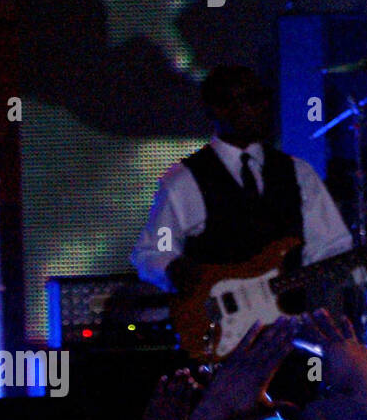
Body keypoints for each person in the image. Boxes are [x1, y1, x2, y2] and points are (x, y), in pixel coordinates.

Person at [131, 65, 355, 298]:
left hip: (288, 321)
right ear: (218, 109)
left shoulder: (299, 173)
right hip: (222, 325)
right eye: (250, 99)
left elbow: (330, 246)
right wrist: (173, 267)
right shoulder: (185, 181)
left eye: (264, 98)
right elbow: (156, 250)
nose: (263, 108)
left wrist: (351, 269)